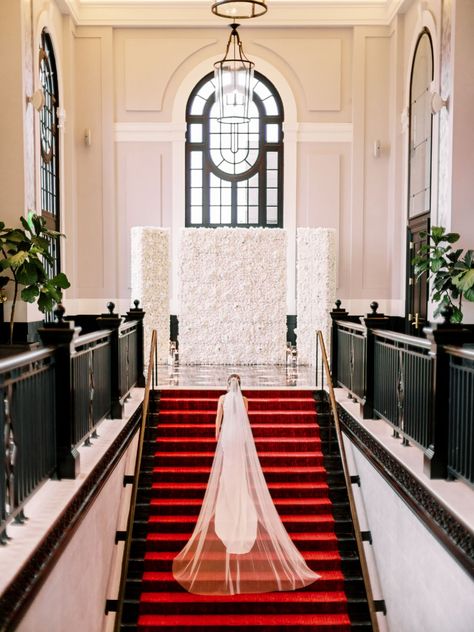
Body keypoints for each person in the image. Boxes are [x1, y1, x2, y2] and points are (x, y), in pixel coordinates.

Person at [172, 374, 319, 595]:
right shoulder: (245, 400)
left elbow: (218, 420)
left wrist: (217, 437)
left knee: (226, 474)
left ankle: (228, 501)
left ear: (227, 384)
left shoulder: (221, 399)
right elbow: (245, 421)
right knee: (238, 471)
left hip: (227, 438)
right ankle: (239, 500)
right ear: (239, 385)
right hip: (238, 437)